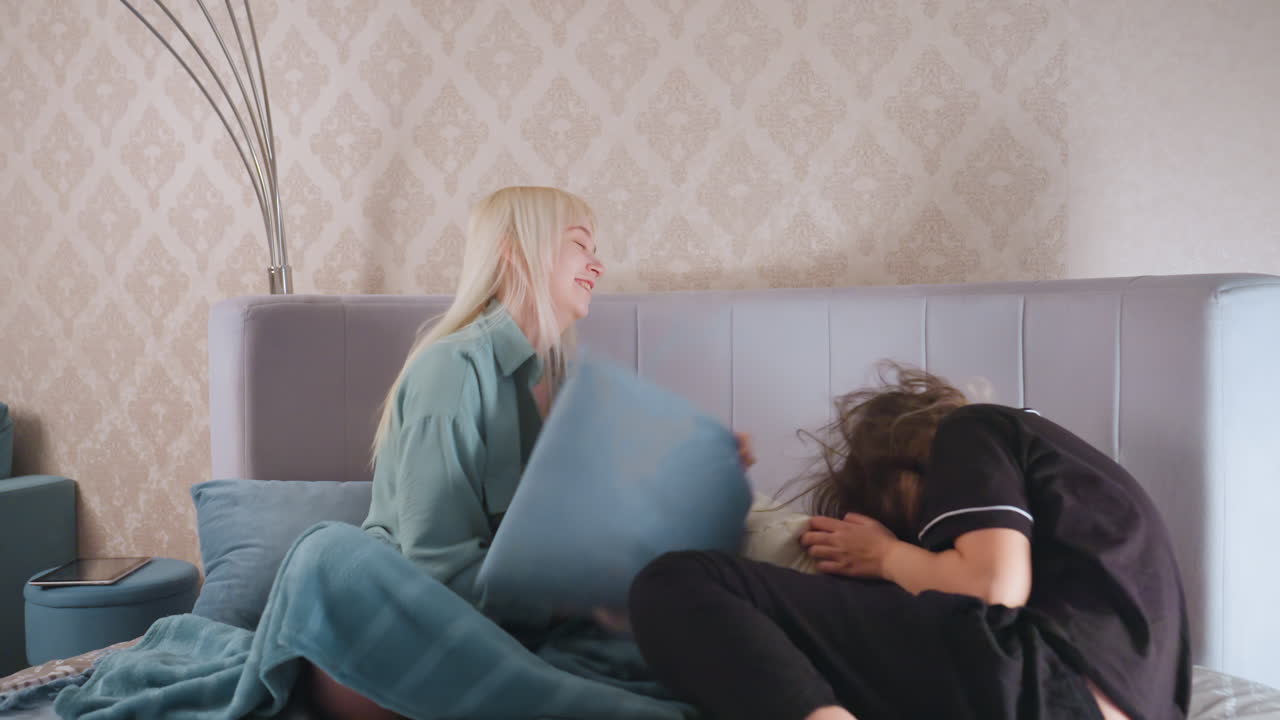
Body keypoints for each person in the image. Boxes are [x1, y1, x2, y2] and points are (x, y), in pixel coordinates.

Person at [628, 363, 1192, 720]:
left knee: (679, 581)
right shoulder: (1089, 506)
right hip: (1076, 695)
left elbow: (992, 588)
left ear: (902, 459)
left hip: (1044, 685)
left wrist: (886, 555)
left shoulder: (972, 430)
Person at [304, 186, 605, 719]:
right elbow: (435, 572)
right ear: (515, 249)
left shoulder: (562, 384)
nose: (597, 265)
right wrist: (570, 601)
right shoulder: (452, 370)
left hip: (511, 621)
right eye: (581, 244)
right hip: (412, 625)